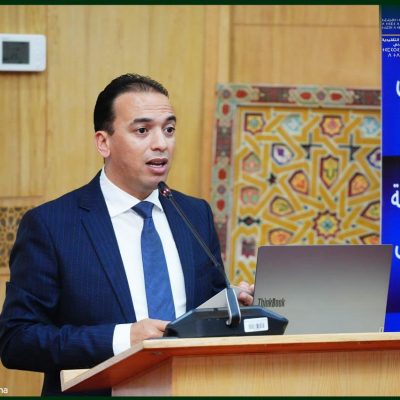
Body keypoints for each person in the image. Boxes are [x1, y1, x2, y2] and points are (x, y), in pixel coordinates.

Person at [0, 73, 254, 396]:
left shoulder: (194, 214)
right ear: (103, 142)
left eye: (169, 129)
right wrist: (124, 339)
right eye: (142, 130)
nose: (161, 143)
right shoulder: (51, 225)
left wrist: (230, 306)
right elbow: (17, 340)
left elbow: (202, 314)